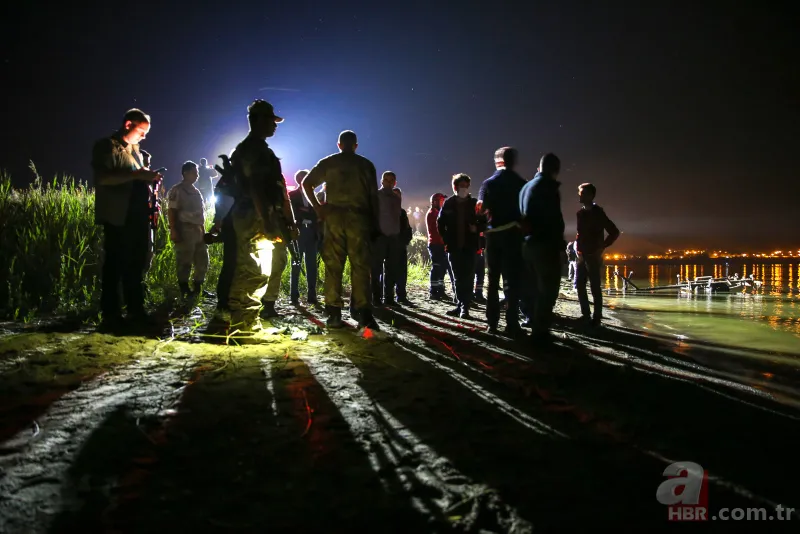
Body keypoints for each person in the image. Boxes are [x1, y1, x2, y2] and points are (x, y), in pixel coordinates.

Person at [227, 99, 295, 333]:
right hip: (252, 216)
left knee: (250, 267)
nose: (275, 126)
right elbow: (256, 187)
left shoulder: (257, 148)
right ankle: (244, 324)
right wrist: (266, 221)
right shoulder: (253, 149)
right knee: (253, 269)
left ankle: (242, 320)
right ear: (258, 121)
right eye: (271, 120)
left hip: (255, 214)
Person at [92, 108, 162, 332]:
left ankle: (136, 311)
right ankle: (111, 314)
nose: (144, 136)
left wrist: (147, 175)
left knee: (136, 265)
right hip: (117, 217)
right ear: (128, 124)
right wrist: (137, 175)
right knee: (115, 265)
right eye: (142, 131)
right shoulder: (107, 146)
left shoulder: (136, 150)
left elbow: (137, 176)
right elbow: (103, 178)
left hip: (137, 217)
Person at [301, 130, 380, 330]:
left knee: (333, 266)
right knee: (361, 267)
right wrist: (375, 224)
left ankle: (334, 314)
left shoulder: (328, 163)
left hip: (334, 218)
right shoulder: (366, 165)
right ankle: (363, 313)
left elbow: (306, 183)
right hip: (359, 219)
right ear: (355, 145)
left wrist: (318, 208)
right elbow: (373, 198)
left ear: (339, 144)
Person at [477, 147, 526, 336]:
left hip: (494, 237)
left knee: (492, 280)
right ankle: (512, 323)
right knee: (512, 281)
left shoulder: (488, 184)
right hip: (513, 236)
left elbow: (480, 211)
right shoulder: (522, 183)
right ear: (513, 161)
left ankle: (492, 323)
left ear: (497, 161)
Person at [519, 153, 567, 344]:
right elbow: (555, 221)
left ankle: (530, 321)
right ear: (555, 170)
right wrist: (560, 248)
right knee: (547, 290)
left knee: (531, 288)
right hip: (544, 245)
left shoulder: (526, 187)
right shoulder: (548, 187)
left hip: (526, 245)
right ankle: (540, 334)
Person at [575, 182, 620, 326]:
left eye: (582, 193)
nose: (579, 195)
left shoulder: (598, 213)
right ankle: (586, 314)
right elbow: (580, 233)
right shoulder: (580, 213)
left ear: (590, 195)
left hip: (593, 256)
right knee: (580, 285)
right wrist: (577, 248)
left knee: (594, 286)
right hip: (581, 255)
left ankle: (597, 317)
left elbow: (614, 232)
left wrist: (602, 247)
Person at [437, 174, 481, 319]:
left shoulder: (474, 203)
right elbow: (440, 222)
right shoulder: (449, 203)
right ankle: (460, 305)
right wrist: (446, 239)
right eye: (460, 186)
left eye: (465, 185)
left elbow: (483, 221)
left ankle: (465, 307)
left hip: (470, 246)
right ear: (454, 187)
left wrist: (477, 228)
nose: (463, 188)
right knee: (457, 277)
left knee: (468, 277)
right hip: (454, 247)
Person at [166, 161, 211, 298]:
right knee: (185, 260)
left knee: (202, 259)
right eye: (194, 172)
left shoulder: (196, 191)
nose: (197, 175)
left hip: (198, 229)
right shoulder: (178, 190)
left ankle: (198, 287)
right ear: (186, 173)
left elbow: (201, 214)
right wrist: (173, 229)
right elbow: (172, 210)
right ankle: (184, 288)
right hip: (185, 228)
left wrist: (203, 231)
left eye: (197, 172)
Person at [289, 169, 319, 306]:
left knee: (312, 265)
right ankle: (294, 295)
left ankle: (312, 295)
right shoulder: (292, 195)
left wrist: (305, 211)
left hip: (312, 231)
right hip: (299, 231)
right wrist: (308, 212)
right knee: (296, 263)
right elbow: (295, 212)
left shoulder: (314, 196)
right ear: (299, 180)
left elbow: (316, 214)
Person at [372, 171, 402, 305]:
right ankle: (376, 298)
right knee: (376, 269)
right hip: (379, 237)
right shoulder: (376, 196)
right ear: (382, 181)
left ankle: (389, 298)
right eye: (386, 179)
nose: (388, 182)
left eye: (391, 180)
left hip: (393, 237)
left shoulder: (396, 198)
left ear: (395, 182)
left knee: (391, 269)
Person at [426, 193, 452, 300]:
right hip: (436, 244)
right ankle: (433, 291)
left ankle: (441, 290)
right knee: (436, 267)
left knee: (442, 268)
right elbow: (438, 230)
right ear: (435, 201)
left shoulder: (437, 212)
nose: (443, 202)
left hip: (440, 244)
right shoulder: (433, 213)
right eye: (441, 200)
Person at [394, 187, 414, 306]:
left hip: (401, 246)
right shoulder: (384, 211)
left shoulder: (402, 212)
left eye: (399, 196)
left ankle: (401, 295)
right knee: (389, 273)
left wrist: (406, 240)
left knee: (402, 272)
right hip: (389, 246)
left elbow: (407, 228)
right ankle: (387, 296)